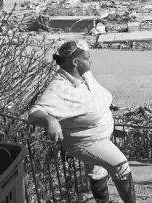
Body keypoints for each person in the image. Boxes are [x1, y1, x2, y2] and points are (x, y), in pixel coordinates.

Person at [28, 40, 136, 203]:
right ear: (75, 62)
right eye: (87, 57)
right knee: (120, 166)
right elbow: (34, 112)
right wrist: (50, 120)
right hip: (86, 142)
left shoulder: (85, 75)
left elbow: (94, 99)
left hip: (98, 134)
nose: (90, 61)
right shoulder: (58, 89)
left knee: (97, 171)